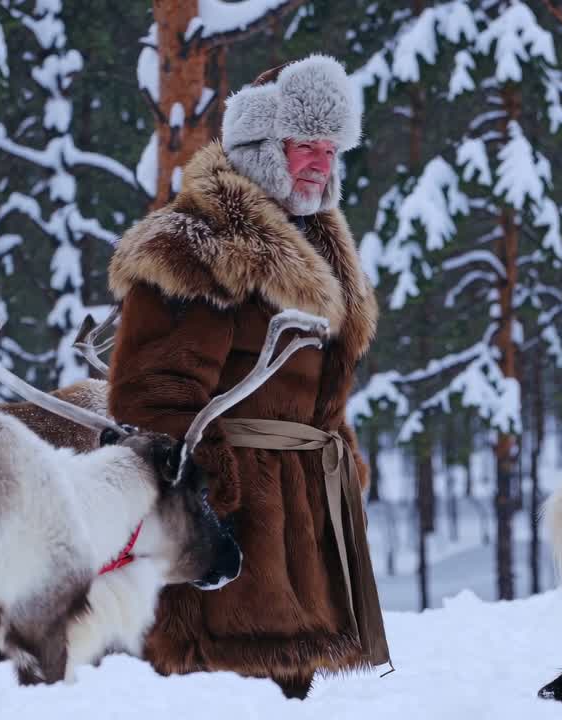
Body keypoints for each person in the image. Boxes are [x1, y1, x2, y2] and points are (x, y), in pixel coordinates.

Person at [105, 54, 390, 699]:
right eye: (303, 147)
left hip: (305, 514)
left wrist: (341, 464)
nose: (320, 162)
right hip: (234, 531)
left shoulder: (316, 247)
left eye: (330, 148)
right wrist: (211, 499)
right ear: (261, 148)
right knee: (221, 692)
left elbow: (321, 398)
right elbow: (153, 396)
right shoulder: (199, 246)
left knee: (293, 693)